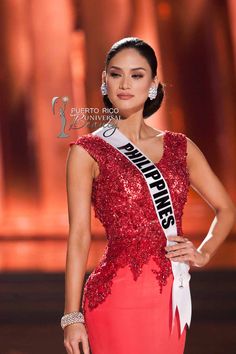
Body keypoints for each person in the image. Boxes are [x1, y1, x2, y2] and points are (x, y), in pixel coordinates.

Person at [61, 37, 236, 354]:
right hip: (114, 298)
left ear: (153, 83)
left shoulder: (180, 147)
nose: (125, 84)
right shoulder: (87, 152)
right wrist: (71, 316)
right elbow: (78, 238)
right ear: (104, 81)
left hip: (170, 297)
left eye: (137, 75)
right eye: (116, 74)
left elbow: (227, 209)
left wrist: (204, 252)